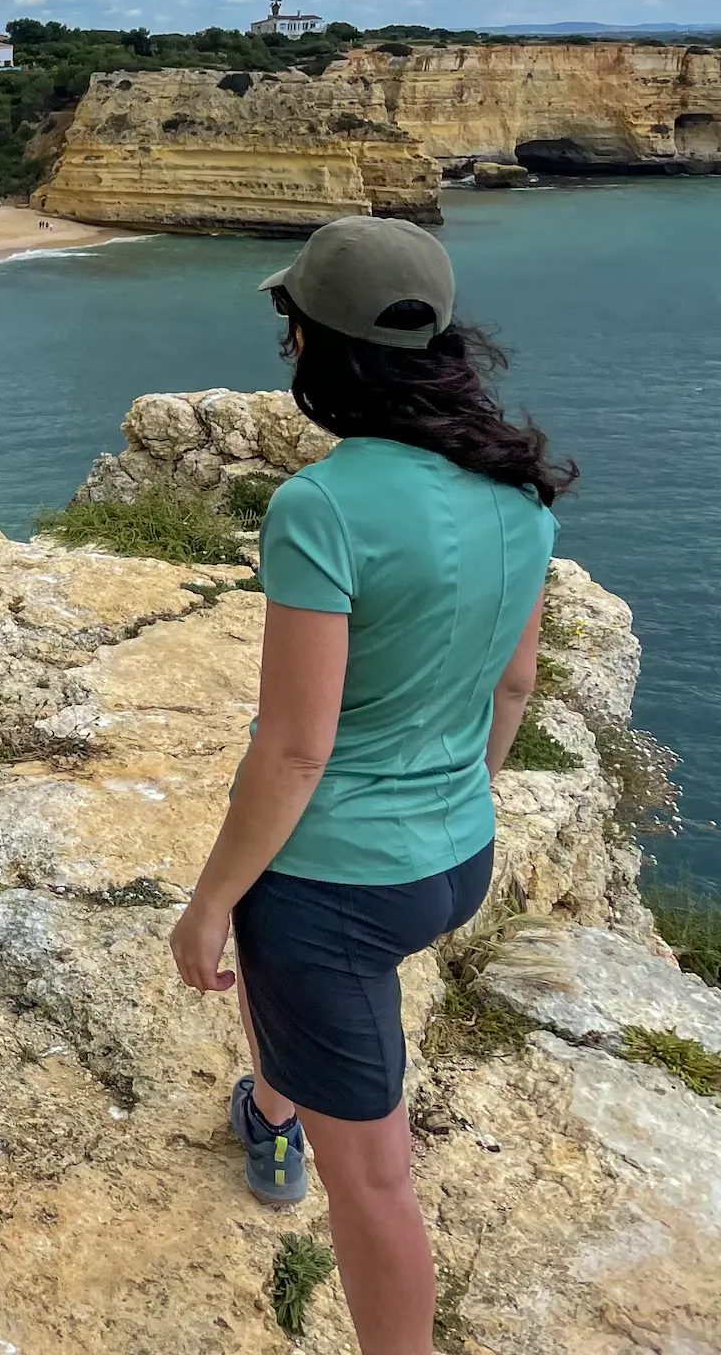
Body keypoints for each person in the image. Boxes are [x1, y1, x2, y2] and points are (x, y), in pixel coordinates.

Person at [170, 216, 570, 1355]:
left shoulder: (322, 508)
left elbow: (295, 753)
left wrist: (207, 905)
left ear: (308, 345)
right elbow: (513, 687)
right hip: (453, 861)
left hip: (331, 892)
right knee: (300, 1004)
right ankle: (273, 1102)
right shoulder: (518, 488)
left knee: (377, 1187)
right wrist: (450, 804)